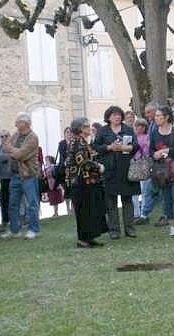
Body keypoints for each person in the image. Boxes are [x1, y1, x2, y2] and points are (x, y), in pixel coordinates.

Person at [93, 106, 140, 239]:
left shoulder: (128, 129)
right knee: (111, 201)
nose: (117, 117)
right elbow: (96, 146)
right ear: (108, 117)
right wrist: (109, 147)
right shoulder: (103, 131)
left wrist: (125, 147)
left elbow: (136, 146)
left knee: (127, 200)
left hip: (125, 169)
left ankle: (130, 229)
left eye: (119, 115)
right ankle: (114, 230)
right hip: (109, 170)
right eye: (114, 115)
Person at [65, 117, 108, 247]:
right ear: (80, 129)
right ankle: (83, 239)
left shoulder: (81, 141)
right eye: (87, 126)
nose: (89, 128)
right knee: (84, 211)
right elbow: (82, 162)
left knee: (89, 210)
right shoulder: (79, 142)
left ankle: (89, 237)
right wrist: (98, 167)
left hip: (85, 181)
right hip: (81, 182)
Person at [1, 112, 41, 240]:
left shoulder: (33, 138)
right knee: (13, 204)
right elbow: (5, 147)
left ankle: (33, 229)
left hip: (28, 175)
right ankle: (15, 230)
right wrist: (15, 151)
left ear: (25, 123)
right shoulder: (16, 135)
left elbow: (20, 155)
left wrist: (15, 152)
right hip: (15, 175)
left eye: (18, 122)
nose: (15, 124)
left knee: (32, 203)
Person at [150, 106, 174, 237]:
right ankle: (172, 227)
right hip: (161, 171)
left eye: (159, 116)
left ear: (166, 117)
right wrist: (154, 154)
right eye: (155, 116)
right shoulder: (154, 132)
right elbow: (151, 150)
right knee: (166, 199)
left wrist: (164, 151)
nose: (156, 118)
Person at [135, 101, 167, 226]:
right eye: (146, 112)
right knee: (147, 189)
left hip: (161, 162)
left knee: (163, 190)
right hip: (151, 162)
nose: (146, 115)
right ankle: (144, 215)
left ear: (156, 111)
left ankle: (165, 215)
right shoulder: (152, 124)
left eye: (149, 112)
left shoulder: (162, 124)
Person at [132, 118, 150, 219]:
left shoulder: (147, 137)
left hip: (143, 164)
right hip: (134, 164)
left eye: (142, 126)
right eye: (138, 125)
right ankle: (136, 212)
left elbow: (147, 151)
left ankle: (143, 212)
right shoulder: (132, 137)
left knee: (144, 190)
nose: (140, 128)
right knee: (134, 190)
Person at [0, 130, 12, 227]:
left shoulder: (13, 147)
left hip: (13, 176)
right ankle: (5, 219)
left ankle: (14, 218)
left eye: (6, 136)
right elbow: (1, 157)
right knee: (4, 200)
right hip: (3, 178)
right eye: (2, 136)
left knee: (13, 199)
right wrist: (10, 154)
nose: (4, 138)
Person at [57, 127, 73, 215]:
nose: (69, 134)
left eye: (70, 132)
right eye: (67, 132)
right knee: (66, 188)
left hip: (73, 168)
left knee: (73, 188)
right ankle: (67, 208)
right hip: (65, 168)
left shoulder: (74, 142)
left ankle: (73, 207)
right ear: (64, 134)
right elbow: (62, 154)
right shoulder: (62, 143)